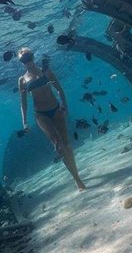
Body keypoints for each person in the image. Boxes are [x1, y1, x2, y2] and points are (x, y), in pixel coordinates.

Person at [17, 47, 86, 191]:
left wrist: (64, 105)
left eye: (29, 57)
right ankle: (77, 179)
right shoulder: (22, 80)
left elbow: (59, 89)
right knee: (59, 146)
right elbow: (23, 103)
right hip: (40, 115)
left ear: (33, 57)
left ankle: (76, 173)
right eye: (24, 59)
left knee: (66, 144)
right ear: (21, 62)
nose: (27, 61)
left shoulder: (46, 71)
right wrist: (24, 122)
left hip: (56, 110)